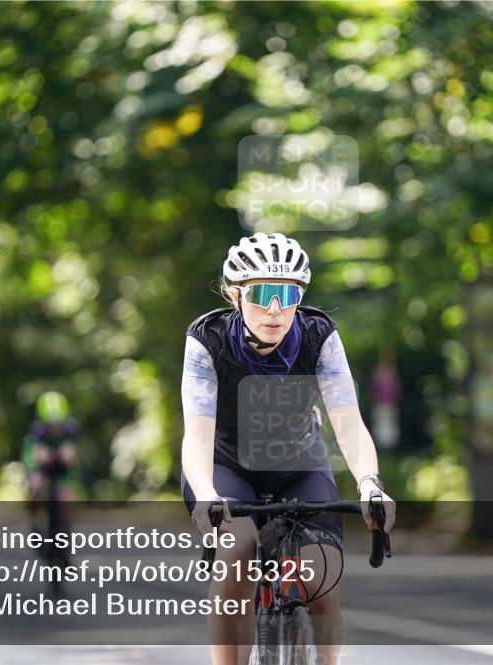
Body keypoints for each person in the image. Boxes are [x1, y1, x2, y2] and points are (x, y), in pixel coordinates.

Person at [181, 232, 397, 665]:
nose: (276, 309)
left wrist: (370, 484)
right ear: (236, 295)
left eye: (288, 294)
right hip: (226, 467)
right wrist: (207, 494)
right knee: (238, 555)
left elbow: (348, 422)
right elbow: (198, 433)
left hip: (299, 463)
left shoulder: (319, 335)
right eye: (262, 294)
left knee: (321, 582)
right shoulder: (208, 337)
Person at [22, 390, 78, 531]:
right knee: (36, 487)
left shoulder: (70, 428)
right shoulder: (36, 430)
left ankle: (65, 528)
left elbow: (73, 451)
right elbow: (32, 454)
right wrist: (39, 458)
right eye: (50, 425)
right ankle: (35, 521)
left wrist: (67, 454)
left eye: (57, 424)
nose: (54, 428)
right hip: (41, 467)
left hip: (61, 468)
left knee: (64, 495)